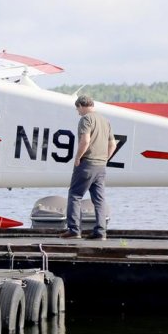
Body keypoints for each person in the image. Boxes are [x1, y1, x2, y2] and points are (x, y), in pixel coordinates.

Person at [60, 95, 116, 240]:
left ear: (81, 105)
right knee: (99, 199)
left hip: (87, 164)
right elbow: (113, 144)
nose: (78, 112)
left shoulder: (86, 119)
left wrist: (78, 157)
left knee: (75, 195)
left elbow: (85, 141)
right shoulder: (105, 121)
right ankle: (101, 232)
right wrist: (105, 159)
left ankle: (74, 230)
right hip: (101, 166)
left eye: (77, 108)